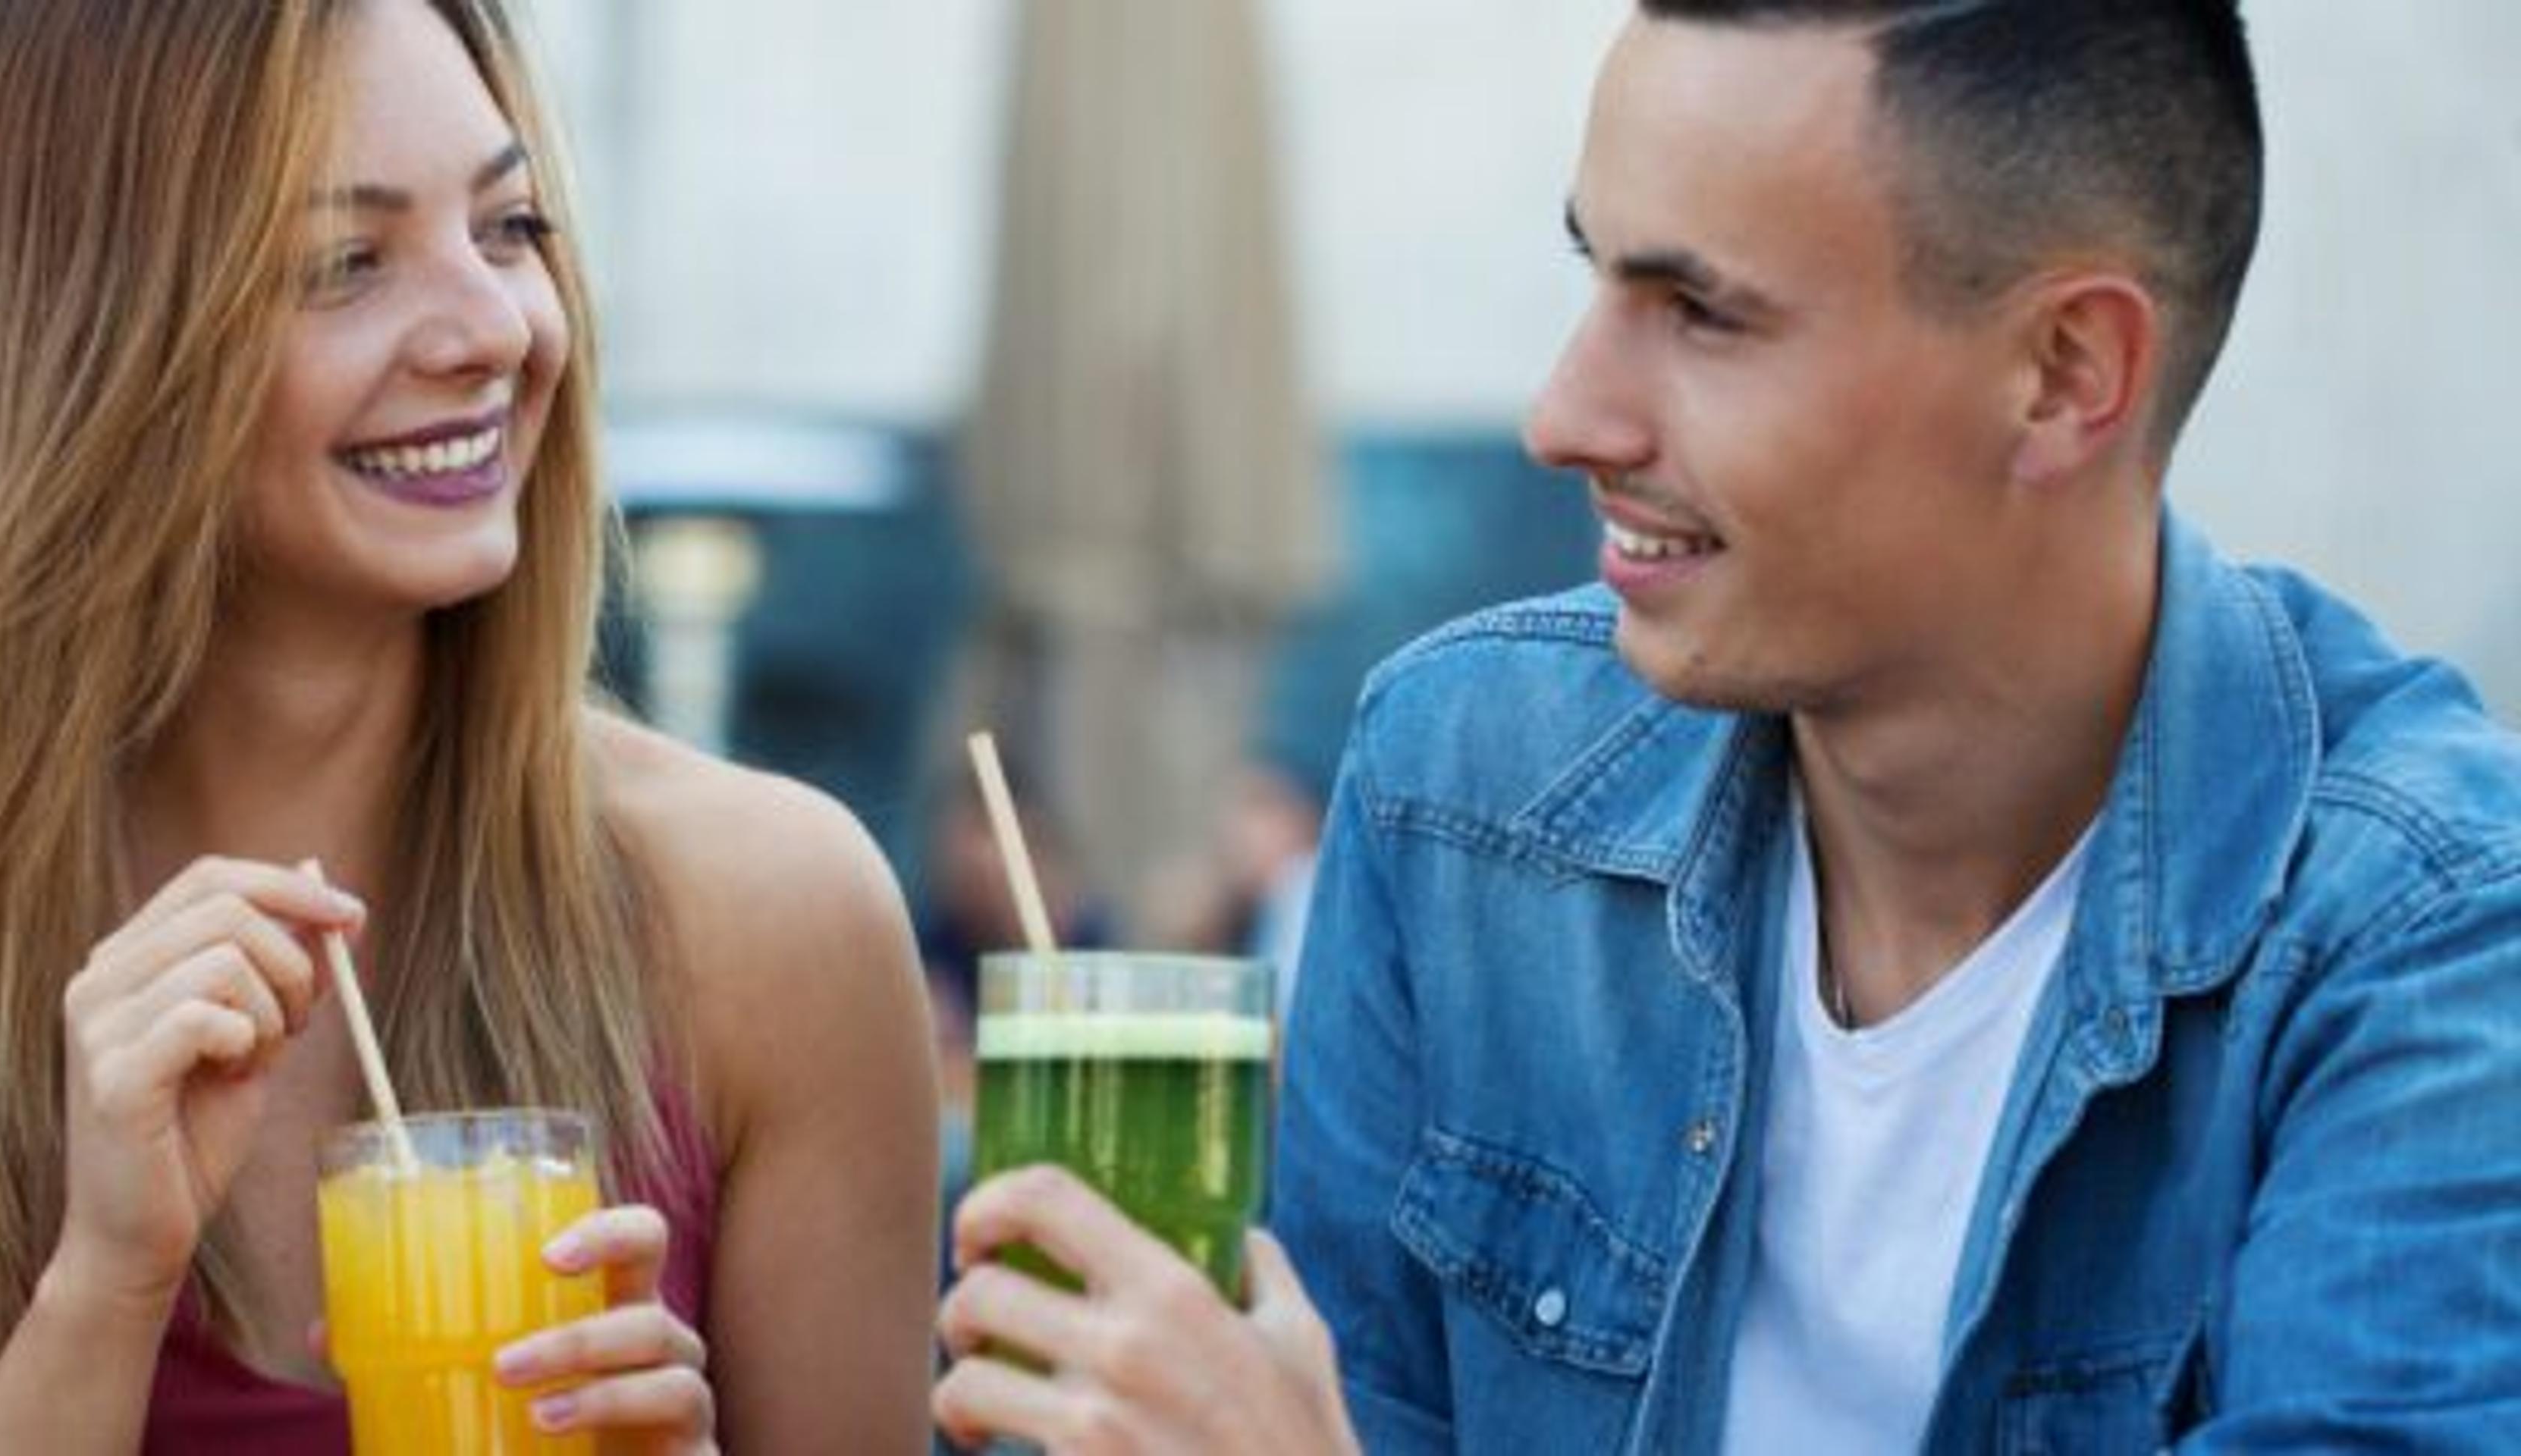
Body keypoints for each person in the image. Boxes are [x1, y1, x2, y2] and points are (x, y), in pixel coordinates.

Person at [934, 2, 2521, 1450]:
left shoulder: (2430, 939)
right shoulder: (1463, 782)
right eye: (1596, 275)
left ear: (2062, 372)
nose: (1566, 417)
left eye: (1701, 314)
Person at [0, 0, 938, 1451]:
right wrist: (105, 1291)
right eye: (344, 263)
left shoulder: (774, 919)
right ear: (89, 351)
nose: (494, 328)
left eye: (510, 228)